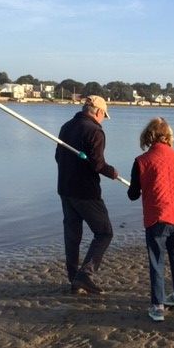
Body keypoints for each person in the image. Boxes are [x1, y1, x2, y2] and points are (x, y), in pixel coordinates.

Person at [127, 117, 174, 322]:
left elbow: (133, 194)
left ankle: (157, 306)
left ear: (149, 136)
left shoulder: (142, 161)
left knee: (157, 261)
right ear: (168, 136)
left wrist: (138, 186)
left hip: (158, 218)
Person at [55, 95, 119, 295]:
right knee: (104, 232)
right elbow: (98, 164)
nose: (103, 120)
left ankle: (74, 279)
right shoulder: (95, 131)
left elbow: (58, 156)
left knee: (72, 236)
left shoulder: (66, 126)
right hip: (86, 192)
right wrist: (113, 172)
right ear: (98, 112)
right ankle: (85, 274)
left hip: (65, 189)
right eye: (103, 116)